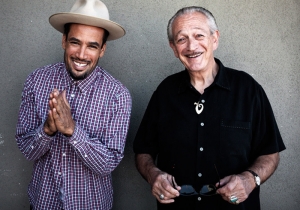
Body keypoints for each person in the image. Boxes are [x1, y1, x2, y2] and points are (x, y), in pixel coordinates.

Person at [133, 6, 285, 210]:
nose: (191, 46)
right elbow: (143, 151)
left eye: (199, 35)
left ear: (215, 39)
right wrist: (153, 175)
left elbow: (270, 152)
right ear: (173, 47)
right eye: (181, 39)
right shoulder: (165, 92)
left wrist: (250, 180)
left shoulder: (248, 89)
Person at [15, 0, 131, 209]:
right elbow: (26, 150)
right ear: (64, 41)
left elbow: (108, 164)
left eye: (92, 46)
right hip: (43, 204)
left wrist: (72, 130)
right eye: (75, 42)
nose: (81, 54)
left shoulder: (117, 95)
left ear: (102, 49)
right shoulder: (37, 80)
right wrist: (47, 130)